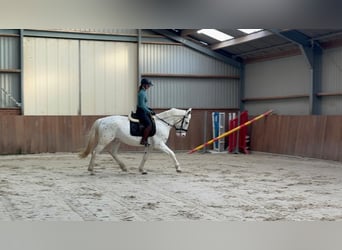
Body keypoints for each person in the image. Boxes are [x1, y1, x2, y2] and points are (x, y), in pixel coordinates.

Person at [136, 78, 155, 146]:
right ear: (144, 85)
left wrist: (149, 108)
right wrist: (149, 111)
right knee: (149, 125)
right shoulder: (141, 93)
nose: (149, 86)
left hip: (143, 111)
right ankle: (143, 140)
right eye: (148, 85)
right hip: (141, 112)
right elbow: (141, 105)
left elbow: (144, 104)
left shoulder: (143, 92)